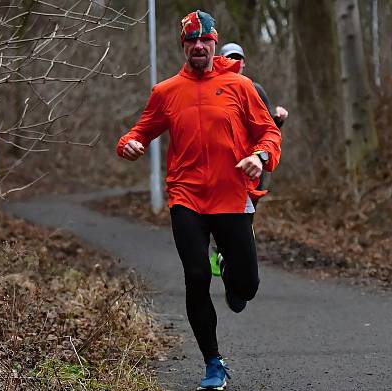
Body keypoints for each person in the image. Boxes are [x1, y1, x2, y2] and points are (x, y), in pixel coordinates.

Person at [115, 10, 281, 391]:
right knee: (195, 277)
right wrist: (128, 145)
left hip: (232, 195)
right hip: (186, 197)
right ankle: (213, 362)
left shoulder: (240, 87)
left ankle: (227, 260)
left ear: (215, 43)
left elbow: (269, 132)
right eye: (192, 42)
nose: (199, 47)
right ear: (184, 47)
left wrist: (260, 157)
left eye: (205, 41)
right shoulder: (167, 92)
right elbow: (137, 132)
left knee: (248, 287)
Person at [208, 42, 289, 276]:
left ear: (244, 63)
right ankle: (221, 252)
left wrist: (279, 120)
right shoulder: (212, 89)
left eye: (238, 58)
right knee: (219, 214)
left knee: (245, 217)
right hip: (223, 165)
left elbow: (268, 130)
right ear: (219, 60)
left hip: (253, 165)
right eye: (229, 57)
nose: (234, 62)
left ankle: (236, 264)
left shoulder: (255, 89)